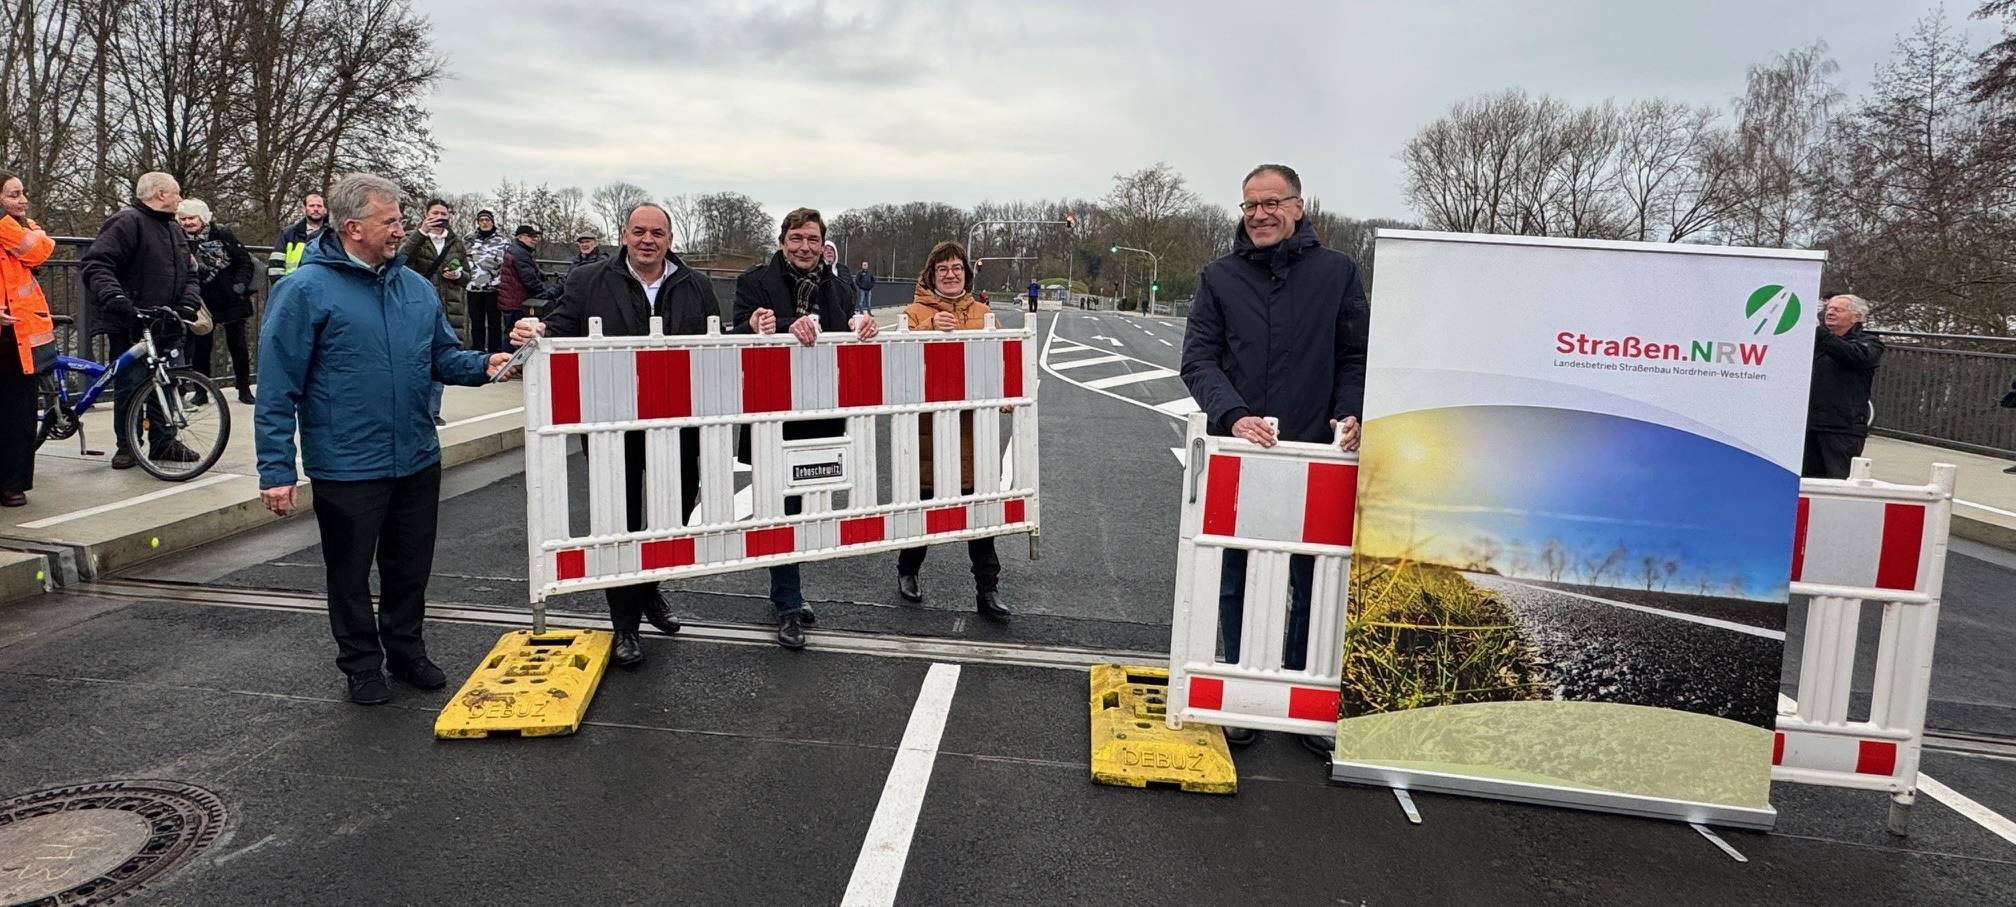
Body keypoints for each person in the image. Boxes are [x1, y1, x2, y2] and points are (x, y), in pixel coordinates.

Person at [255, 172, 511, 705]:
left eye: (399, 220)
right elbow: (278, 386)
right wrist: (276, 469)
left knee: (409, 564)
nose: (400, 230)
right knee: (349, 572)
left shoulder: (415, 288)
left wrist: (486, 364)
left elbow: (441, 356)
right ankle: (361, 664)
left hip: (415, 454)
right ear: (353, 228)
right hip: (347, 463)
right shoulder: (303, 291)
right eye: (390, 221)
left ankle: (406, 649)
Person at [1180, 163, 1368, 756]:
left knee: (1314, 577)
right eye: (1248, 205)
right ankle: (1239, 693)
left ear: (1299, 206)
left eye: (1271, 203)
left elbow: (1355, 356)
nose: (1259, 215)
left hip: (1318, 453)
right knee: (1235, 573)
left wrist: (1349, 412)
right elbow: (1199, 360)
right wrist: (1233, 415)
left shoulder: (1338, 274)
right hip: (1244, 455)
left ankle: (1303, 696)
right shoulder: (1219, 278)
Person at [508, 202, 710, 669]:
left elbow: (713, 344)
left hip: (676, 425)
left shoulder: (695, 285)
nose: (647, 240)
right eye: (639, 231)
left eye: (656, 233)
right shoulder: (587, 280)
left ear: (670, 239)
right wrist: (533, 330)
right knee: (620, 524)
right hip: (609, 426)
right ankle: (625, 626)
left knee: (673, 517)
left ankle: (647, 591)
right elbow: (557, 334)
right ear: (624, 234)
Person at [732, 207, 881, 649]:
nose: (804, 247)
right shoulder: (754, 281)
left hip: (820, 412)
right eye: (796, 238)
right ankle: (788, 601)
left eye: (812, 239)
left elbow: (846, 326)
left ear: (823, 244)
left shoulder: (839, 285)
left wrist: (862, 325)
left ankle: (789, 589)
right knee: (783, 506)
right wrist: (772, 325)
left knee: (809, 505)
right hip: (771, 414)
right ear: (782, 242)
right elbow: (734, 330)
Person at [895, 241, 1011, 621]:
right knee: (923, 507)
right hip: (927, 432)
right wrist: (927, 328)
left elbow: (1005, 361)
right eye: (942, 268)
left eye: (957, 268)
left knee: (980, 514)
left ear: (967, 273)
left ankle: (987, 589)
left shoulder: (985, 314)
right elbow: (894, 362)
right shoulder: (912, 315)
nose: (950, 273)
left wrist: (1008, 394)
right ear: (931, 275)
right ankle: (908, 571)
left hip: (971, 431)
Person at [78, 171, 204, 470]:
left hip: (167, 320)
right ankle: (128, 444)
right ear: (160, 194)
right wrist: (116, 299)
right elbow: (97, 264)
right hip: (132, 321)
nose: (179, 198)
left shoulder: (174, 230)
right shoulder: (127, 222)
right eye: (176, 192)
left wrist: (188, 301)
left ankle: (165, 441)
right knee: (131, 384)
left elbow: (191, 273)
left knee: (168, 380)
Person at [0, 172, 56, 508]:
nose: (22, 200)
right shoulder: (13, 228)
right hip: (12, 335)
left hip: (18, 336)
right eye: (13, 195)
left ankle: (11, 482)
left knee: (19, 414)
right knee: (15, 413)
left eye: (23, 193)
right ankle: (10, 484)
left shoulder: (18, 228)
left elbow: (40, 251)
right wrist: (32, 230)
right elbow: (40, 247)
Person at [175, 198, 257, 406]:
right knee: (201, 347)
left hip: (230, 297)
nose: (187, 223)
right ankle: (201, 390)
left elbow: (244, 261)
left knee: (237, 344)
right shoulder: (178, 239)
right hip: (202, 301)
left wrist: (239, 285)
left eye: (192, 218)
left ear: (202, 218)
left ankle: (244, 387)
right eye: (183, 219)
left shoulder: (223, 234)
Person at [400, 198, 472, 427]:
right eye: (435, 213)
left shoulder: (455, 243)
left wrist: (459, 276)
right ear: (426, 214)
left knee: (442, 358)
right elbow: (400, 259)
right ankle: (417, 410)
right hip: (419, 307)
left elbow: (467, 276)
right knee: (419, 359)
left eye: (443, 213)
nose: (439, 217)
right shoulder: (416, 238)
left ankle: (433, 411)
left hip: (450, 309)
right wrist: (422, 231)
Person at [1803, 294, 1885, 480]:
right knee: (1807, 483)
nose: (1830, 312)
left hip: (1842, 427)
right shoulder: (1814, 341)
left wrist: (1821, 334)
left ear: (1856, 316)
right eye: (1829, 308)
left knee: (1838, 482)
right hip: (1810, 424)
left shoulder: (1869, 342)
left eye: (1838, 309)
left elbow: (1856, 357)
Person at [464, 210, 510, 353]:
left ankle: (494, 352)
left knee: (494, 323)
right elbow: (461, 259)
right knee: (476, 323)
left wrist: (500, 282)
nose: (484, 222)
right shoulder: (468, 239)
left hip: (494, 288)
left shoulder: (503, 240)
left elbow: (507, 264)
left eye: (487, 220)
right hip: (474, 287)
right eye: (481, 220)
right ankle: (477, 352)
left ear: (492, 221)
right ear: (478, 222)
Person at [496, 224, 553, 330]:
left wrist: (540, 274)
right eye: (530, 236)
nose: (534, 239)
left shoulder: (516, 250)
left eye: (535, 237)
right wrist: (546, 294)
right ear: (520, 237)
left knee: (510, 332)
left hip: (509, 300)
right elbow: (529, 279)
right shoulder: (521, 253)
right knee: (515, 334)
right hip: (516, 302)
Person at [267, 192, 327, 284]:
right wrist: (282, 287)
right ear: (304, 209)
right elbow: (275, 266)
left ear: (325, 210)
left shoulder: (333, 234)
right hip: (293, 287)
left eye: (319, 206)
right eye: (311, 206)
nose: (315, 209)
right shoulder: (288, 233)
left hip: (323, 287)